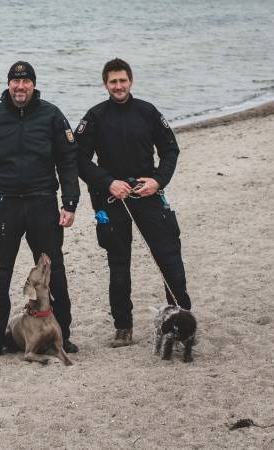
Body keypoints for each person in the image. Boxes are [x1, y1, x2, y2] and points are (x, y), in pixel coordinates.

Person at [0, 61, 80, 366]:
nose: (20, 87)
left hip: (43, 203)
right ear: (8, 85)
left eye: (26, 82)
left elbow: (68, 160)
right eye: (15, 82)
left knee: (53, 275)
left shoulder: (52, 115)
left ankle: (62, 335)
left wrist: (70, 203)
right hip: (5, 206)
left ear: (33, 84)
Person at [75, 58, 192, 347]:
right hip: (114, 197)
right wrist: (107, 182)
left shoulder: (148, 112)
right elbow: (76, 158)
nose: (118, 86)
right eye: (112, 81)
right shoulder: (94, 117)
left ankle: (183, 320)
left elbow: (170, 149)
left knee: (169, 257)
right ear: (105, 84)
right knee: (118, 264)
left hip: (146, 192)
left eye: (122, 80)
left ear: (131, 81)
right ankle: (123, 328)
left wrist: (158, 181)